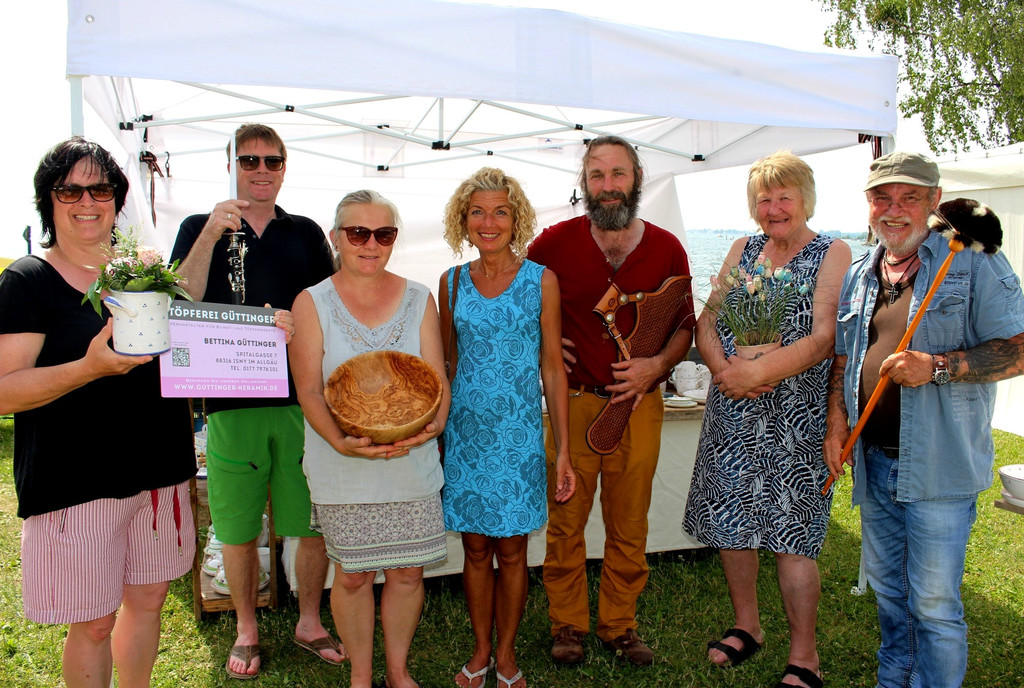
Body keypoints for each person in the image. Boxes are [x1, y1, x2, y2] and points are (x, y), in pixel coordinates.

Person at [0, 137, 196, 688]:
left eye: (100, 189)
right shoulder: (28, 280)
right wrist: (88, 369)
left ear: (117, 199)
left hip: (157, 470)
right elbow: (4, 392)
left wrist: (261, 334)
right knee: (92, 623)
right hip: (76, 478)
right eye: (70, 190)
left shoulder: (149, 275)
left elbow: (191, 352)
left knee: (150, 598)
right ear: (49, 200)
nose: (86, 201)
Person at [824, 152, 1024, 688]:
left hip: (939, 466)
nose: (894, 210)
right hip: (873, 462)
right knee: (890, 595)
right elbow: (845, 357)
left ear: (934, 201)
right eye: (881, 198)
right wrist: (837, 425)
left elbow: (1019, 349)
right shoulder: (862, 272)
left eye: (909, 197)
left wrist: (936, 367)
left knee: (933, 605)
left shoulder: (975, 262)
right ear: (868, 204)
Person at [169, 123, 342, 678]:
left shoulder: (306, 232)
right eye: (249, 160)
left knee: (309, 522)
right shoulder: (199, 226)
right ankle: (247, 627)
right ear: (232, 165)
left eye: (272, 160)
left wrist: (298, 324)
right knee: (238, 526)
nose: (261, 170)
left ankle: (309, 621)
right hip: (230, 403)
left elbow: (331, 307)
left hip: (300, 400)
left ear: (284, 168)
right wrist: (210, 233)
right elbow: (178, 301)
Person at [683, 151, 851, 688]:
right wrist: (725, 371)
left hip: (795, 419)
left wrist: (759, 372)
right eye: (764, 198)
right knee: (732, 524)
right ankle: (747, 627)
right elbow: (707, 320)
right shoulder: (743, 249)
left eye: (784, 197)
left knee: (791, 536)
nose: (773, 208)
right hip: (734, 409)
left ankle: (805, 657)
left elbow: (824, 337)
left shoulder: (833, 251)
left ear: (806, 199)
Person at [527, 135, 695, 666]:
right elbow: (515, 305)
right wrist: (540, 341)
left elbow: (685, 327)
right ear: (584, 182)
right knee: (566, 521)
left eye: (617, 173)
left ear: (636, 178)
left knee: (630, 522)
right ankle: (568, 624)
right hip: (572, 404)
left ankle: (620, 625)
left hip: (639, 408)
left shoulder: (667, 248)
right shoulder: (552, 244)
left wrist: (657, 366)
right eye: (596, 175)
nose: (607, 185)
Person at [291, 190, 448, 688]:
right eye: (358, 233)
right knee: (354, 575)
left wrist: (433, 427)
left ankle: (397, 670)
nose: (371, 244)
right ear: (336, 237)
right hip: (341, 462)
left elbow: (437, 379)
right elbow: (309, 390)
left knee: (407, 572)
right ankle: (361, 676)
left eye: (384, 234)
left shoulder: (419, 297)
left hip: (410, 457)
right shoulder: (312, 301)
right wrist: (339, 442)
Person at [439, 168, 576, 688]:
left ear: (516, 219)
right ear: (464, 220)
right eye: (477, 211)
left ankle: (507, 653)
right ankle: (480, 652)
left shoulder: (541, 280)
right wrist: (439, 436)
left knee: (513, 551)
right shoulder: (451, 283)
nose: (489, 222)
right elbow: (448, 365)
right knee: (475, 549)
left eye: (500, 211)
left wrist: (563, 451)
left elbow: (553, 369)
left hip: (518, 439)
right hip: (466, 439)